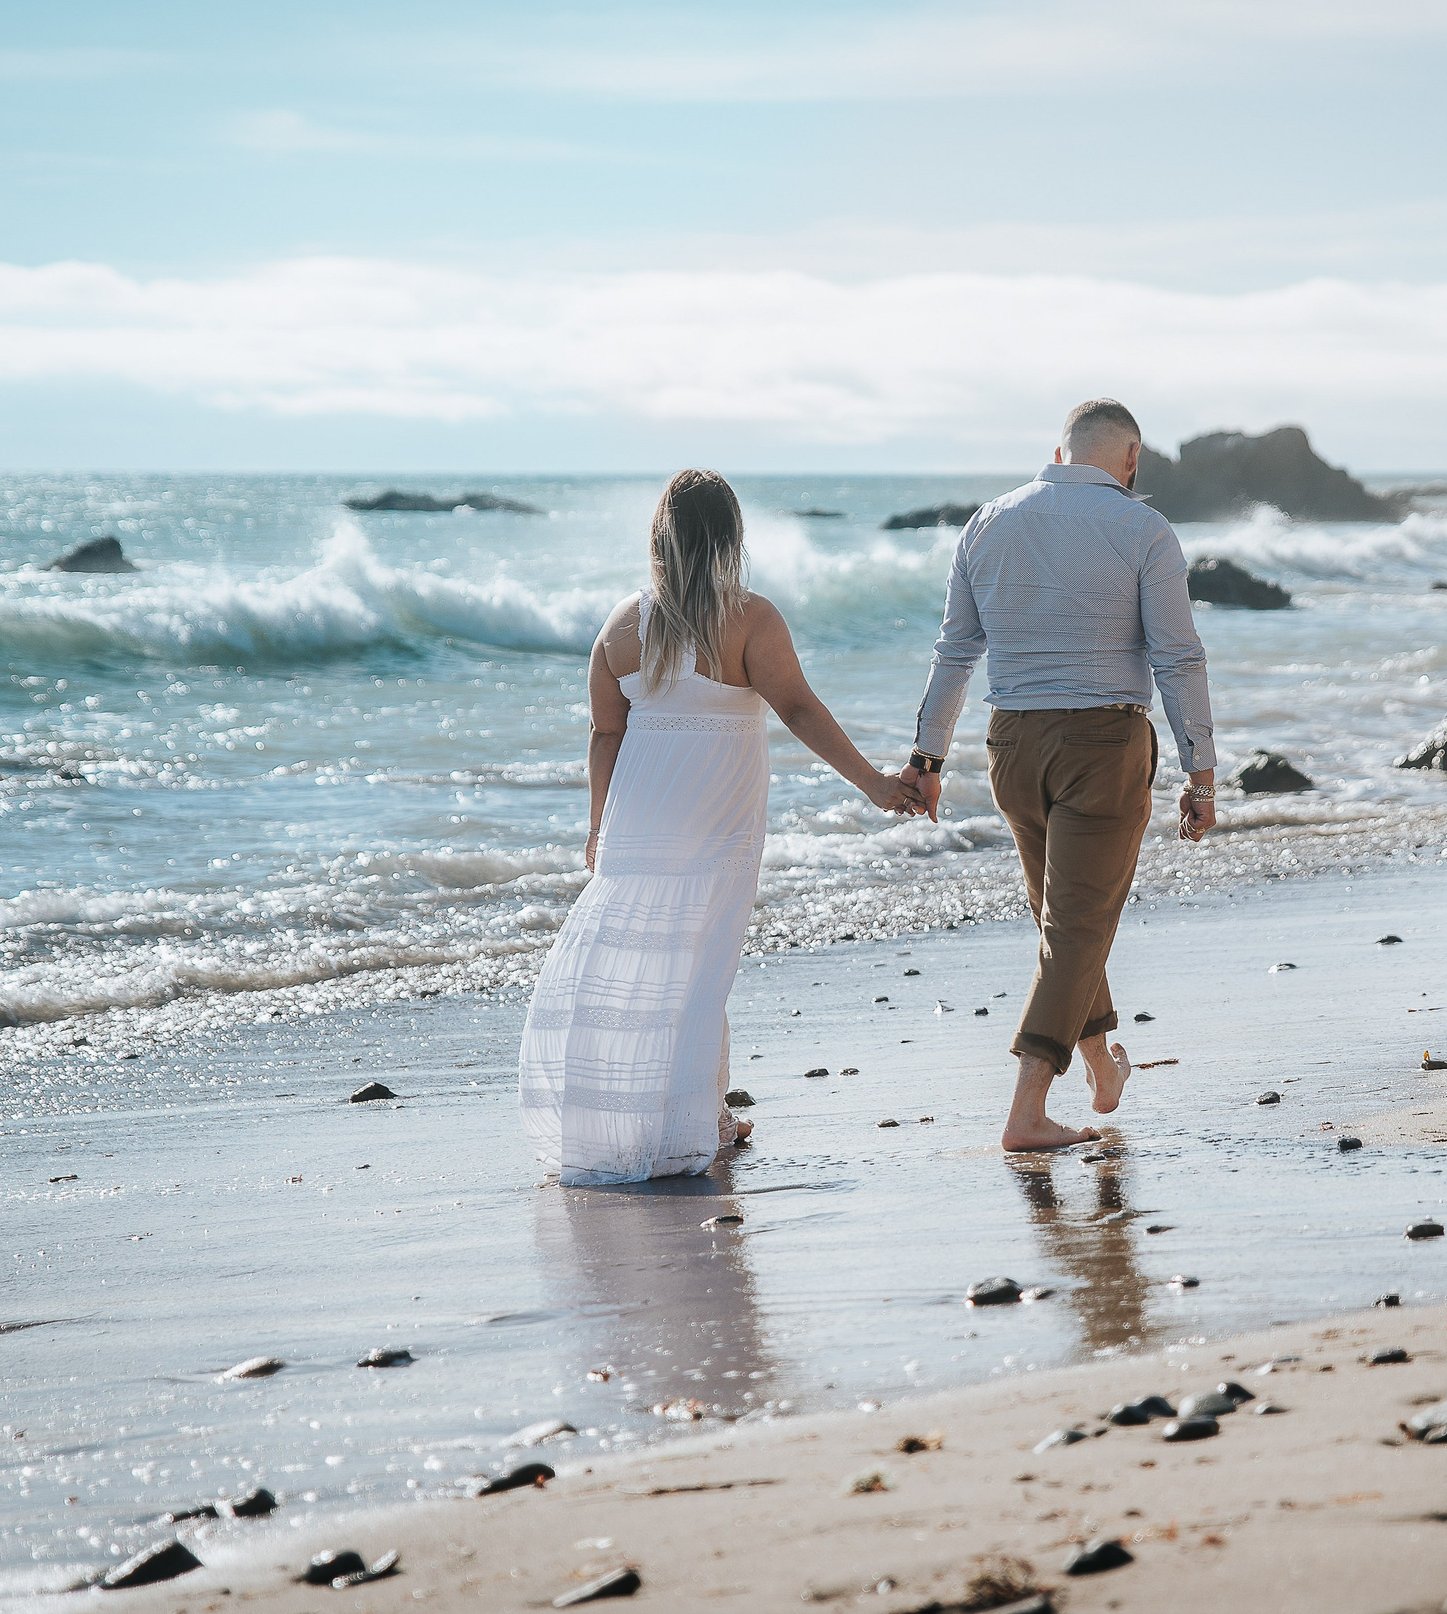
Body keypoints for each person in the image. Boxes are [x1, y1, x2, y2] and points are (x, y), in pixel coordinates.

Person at [522, 470, 918, 1185]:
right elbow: (797, 709)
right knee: (703, 967)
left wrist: (597, 828)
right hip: (719, 817)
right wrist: (876, 786)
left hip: (638, 817)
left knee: (649, 965)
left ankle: (654, 1118)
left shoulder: (620, 627)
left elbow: (603, 735)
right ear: (733, 540)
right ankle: (700, 1122)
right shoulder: (750, 619)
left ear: (658, 541)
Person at [902, 399, 1218, 1151]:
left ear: (1060, 451)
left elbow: (954, 652)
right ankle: (1026, 1112)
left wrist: (927, 760)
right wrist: (1200, 774)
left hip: (1011, 745)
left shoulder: (988, 522)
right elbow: (1178, 657)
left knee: (1066, 925)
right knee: (1076, 926)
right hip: (1103, 745)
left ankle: (1105, 1072)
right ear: (1131, 457)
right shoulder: (1143, 528)